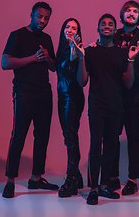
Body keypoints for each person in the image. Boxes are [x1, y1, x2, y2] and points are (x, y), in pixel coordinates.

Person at [77, 13, 139, 205]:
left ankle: (105, 186)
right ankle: (94, 189)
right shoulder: (90, 52)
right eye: (103, 24)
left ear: (115, 29)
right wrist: (81, 57)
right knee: (95, 147)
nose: (107, 26)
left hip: (116, 107)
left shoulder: (122, 53)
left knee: (111, 148)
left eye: (110, 24)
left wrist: (131, 60)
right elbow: (82, 81)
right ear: (98, 29)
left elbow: (128, 84)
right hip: (97, 106)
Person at [1, 2, 58, 198]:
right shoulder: (17, 35)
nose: (42, 21)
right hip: (24, 92)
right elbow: (5, 63)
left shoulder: (47, 38)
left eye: (46, 18)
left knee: (42, 136)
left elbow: (53, 67)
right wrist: (33, 58)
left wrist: (48, 57)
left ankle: (36, 177)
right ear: (32, 15)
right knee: (18, 136)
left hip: (44, 93)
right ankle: (10, 181)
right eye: (39, 16)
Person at [110, 0, 139, 195]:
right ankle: (111, 176)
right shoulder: (112, 35)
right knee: (112, 137)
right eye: (128, 10)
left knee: (133, 138)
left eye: (135, 11)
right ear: (121, 15)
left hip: (136, 98)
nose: (131, 13)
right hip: (113, 96)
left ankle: (132, 179)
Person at [55, 18, 85, 198]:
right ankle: (77, 175)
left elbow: (75, 58)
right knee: (70, 135)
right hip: (62, 97)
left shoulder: (75, 49)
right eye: (67, 26)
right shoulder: (62, 50)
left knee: (70, 137)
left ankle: (71, 180)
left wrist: (75, 46)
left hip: (72, 98)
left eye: (74, 28)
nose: (70, 30)